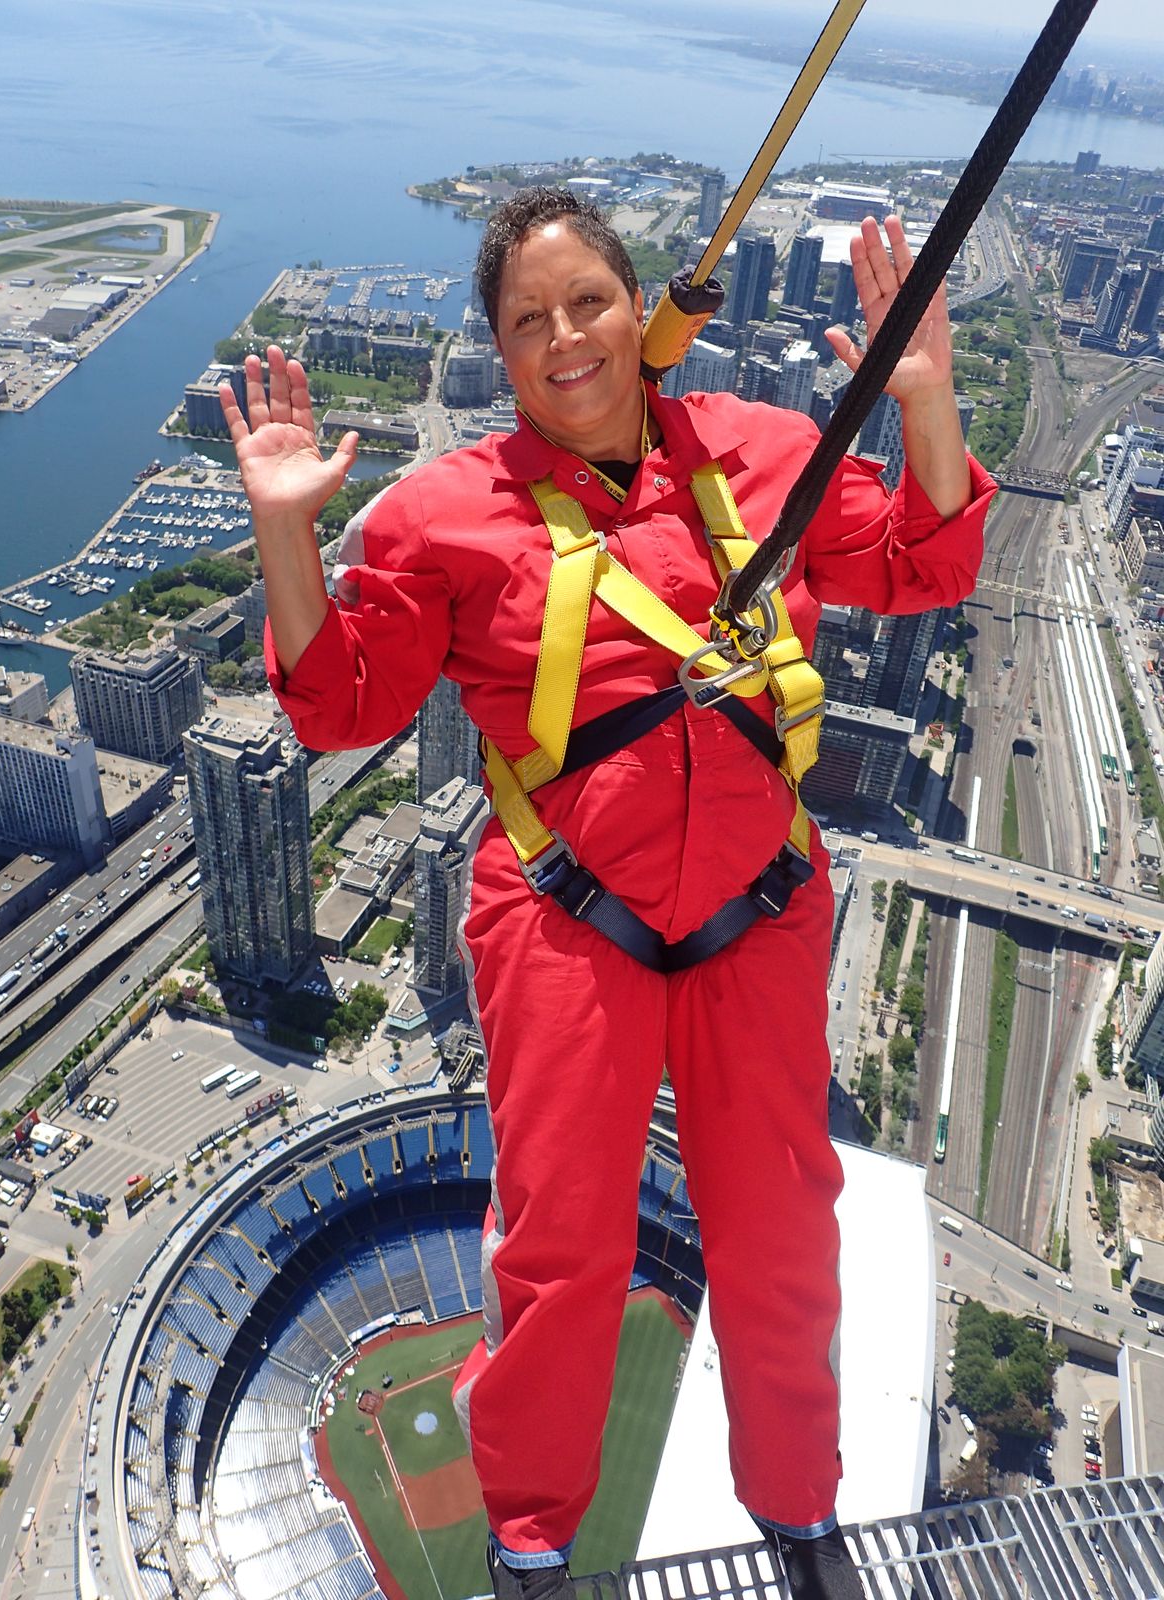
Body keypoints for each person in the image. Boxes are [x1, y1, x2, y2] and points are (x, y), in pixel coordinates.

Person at [220, 187, 995, 1600]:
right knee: (563, 1251)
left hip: (758, 906)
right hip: (567, 917)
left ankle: (799, 1515)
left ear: (643, 312)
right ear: (504, 356)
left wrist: (924, 396)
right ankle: (529, 1541)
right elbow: (341, 704)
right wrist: (286, 534)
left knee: (779, 1239)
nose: (565, 337)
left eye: (588, 302)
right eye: (528, 321)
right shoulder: (446, 515)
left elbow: (921, 560)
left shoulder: (764, 454)